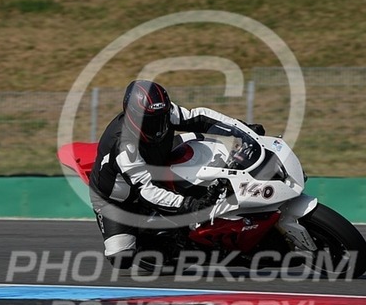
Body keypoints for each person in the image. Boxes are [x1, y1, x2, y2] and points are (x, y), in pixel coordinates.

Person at [89, 79, 265, 268]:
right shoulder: (124, 147)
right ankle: (175, 248)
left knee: (202, 157)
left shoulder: (167, 113)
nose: (158, 126)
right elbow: (147, 190)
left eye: (161, 118)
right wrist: (189, 204)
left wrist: (241, 128)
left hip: (159, 165)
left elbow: (200, 117)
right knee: (121, 257)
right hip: (118, 201)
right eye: (150, 122)